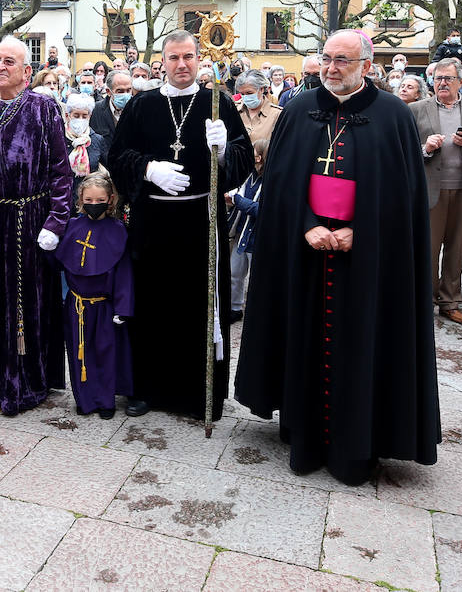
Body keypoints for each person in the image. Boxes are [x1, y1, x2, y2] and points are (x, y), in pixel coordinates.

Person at [236, 29, 438, 484]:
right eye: (327, 58)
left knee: (361, 341)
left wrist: (357, 230)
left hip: (368, 261)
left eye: (343, 60)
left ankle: (357, 444)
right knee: (304, 336)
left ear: (367, 65)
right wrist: (307, 223)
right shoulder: (299, 110)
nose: (331, 67)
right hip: (304, 254)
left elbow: (402, 196)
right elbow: (282, 183)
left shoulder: (392, 116)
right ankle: (303, 435)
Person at [106, 29, 254, 421]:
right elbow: (117, 157)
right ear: (163, 61)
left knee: (197, 308)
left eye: (188, 56)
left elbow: (243, 160)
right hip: (152, 223)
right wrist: (149, 169)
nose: (181, 64)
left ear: (199, 57)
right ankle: (144, 389)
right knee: (151, 305)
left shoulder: (217, 103)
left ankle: (197, 392)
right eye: (173, 58)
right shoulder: (142, 106)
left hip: (199, 220)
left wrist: (223, 153)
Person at [0, 37, 73, 415]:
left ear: (26, 71)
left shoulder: (43, 108)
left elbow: (60, 169)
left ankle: (26, 378)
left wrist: (57, 220)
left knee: (24, 302)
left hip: (28, 218)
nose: (0, 67)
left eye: (10, 61)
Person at [410, 58, 462, 325]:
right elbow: (403, 149)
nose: (442, 83)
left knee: (456, 250)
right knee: (429, 249)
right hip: (429, 190)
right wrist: (425, 149)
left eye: (448, 78)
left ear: (460, 81)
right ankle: (424, 301)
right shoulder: (415, 109)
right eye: (437, 79)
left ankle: (450, 302)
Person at [54, 172, 133, 418]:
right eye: (89, 199)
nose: (94, 205)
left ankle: (106, 401)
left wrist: (123, 307)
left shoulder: (118, 230)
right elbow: (59, 260)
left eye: (100, 200)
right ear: (81, 199)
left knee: (105, 353)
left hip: (104, 307)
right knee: (79, 353)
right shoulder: (71, 226)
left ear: (110, 200)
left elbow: (123, 273)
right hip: (76, 305)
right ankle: (85, 400)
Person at [226, 137, 266, 321]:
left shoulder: (270, 179)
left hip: (259, 238)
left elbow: (259, 208)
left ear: (260, 157)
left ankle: (258, 313)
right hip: (241, 234)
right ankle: (235, 308)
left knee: (259, 281)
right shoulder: (247, 175)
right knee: (234, 274)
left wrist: (237, 200)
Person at [63, 93, 106, 188]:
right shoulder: (59, 138)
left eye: (84, 116)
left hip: (89, 195)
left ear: (89, 116)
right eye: (76, 115)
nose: (80, 119)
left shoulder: (96, 140)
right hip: (64, 195)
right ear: (67, 115)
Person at [235, 71, 281, 146]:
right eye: (242, 94)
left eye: (249, 93)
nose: (246, 97)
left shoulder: (277, 114)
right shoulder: (234, 110)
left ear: (262, 89)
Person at [89, 70, 131, 150]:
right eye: (120, 91)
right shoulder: (95, 111)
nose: (126, 95)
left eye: (128, 90)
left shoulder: (137, 110)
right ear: (108, 91)